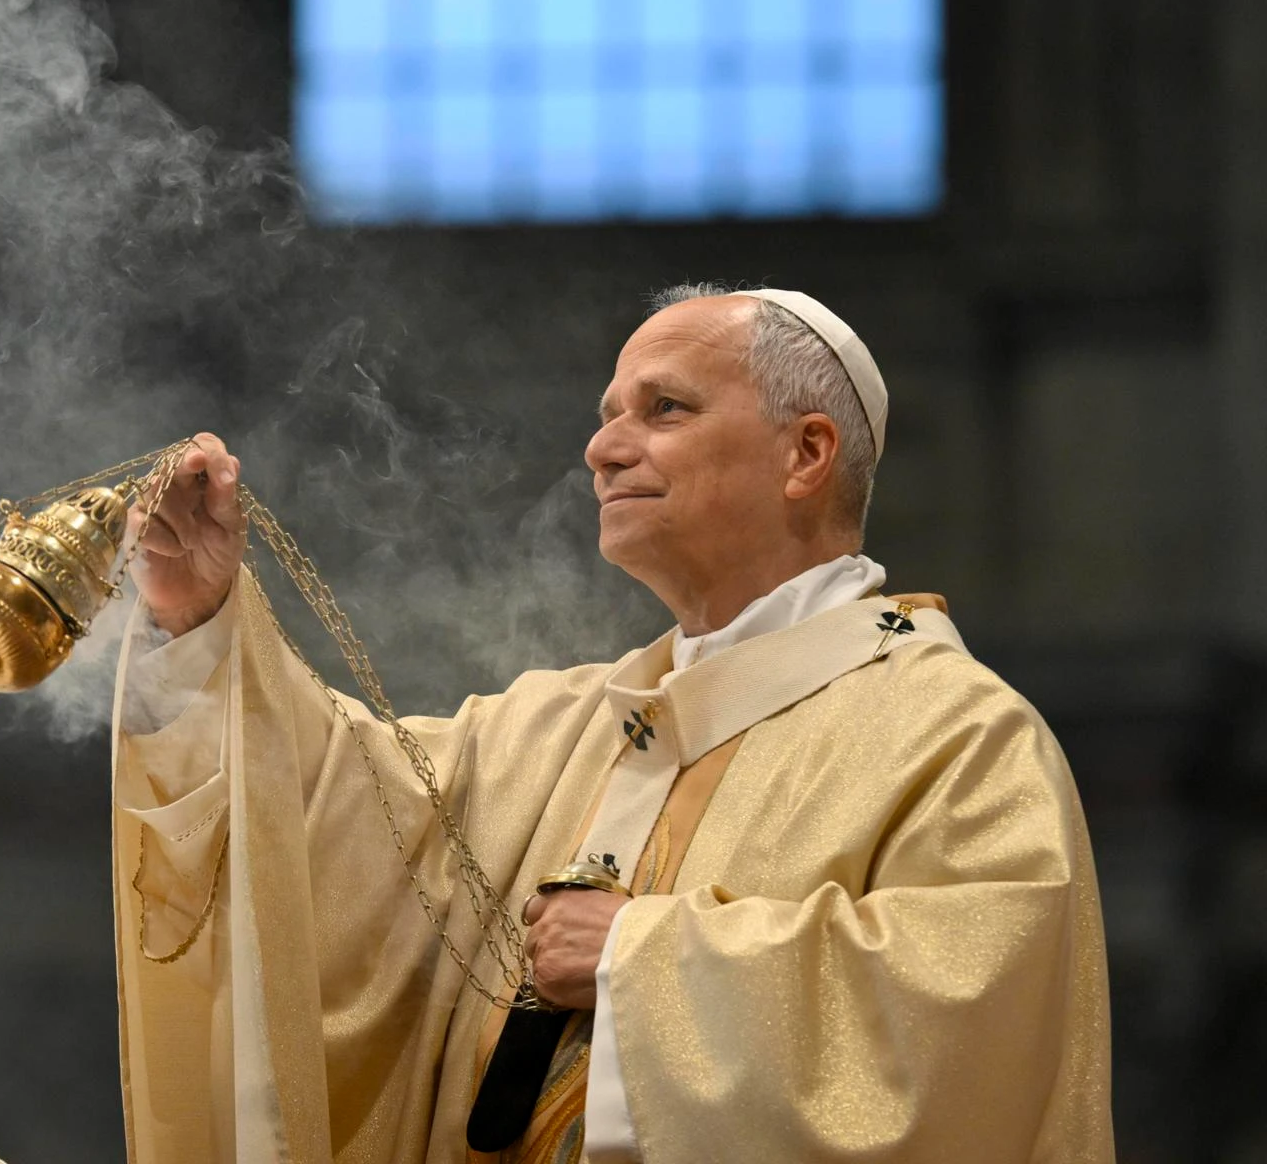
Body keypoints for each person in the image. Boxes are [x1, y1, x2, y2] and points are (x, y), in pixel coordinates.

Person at [108, 285, 1113, 1163]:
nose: (601, 445)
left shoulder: (956, 734)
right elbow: (330, 813)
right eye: (606, 414)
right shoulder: (558, 727)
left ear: (807, 453)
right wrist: (200, 626)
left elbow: (973, 1036)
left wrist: (639, 955)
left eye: (663, 408)